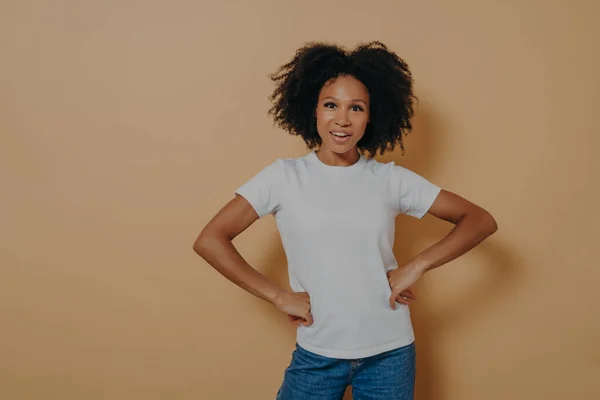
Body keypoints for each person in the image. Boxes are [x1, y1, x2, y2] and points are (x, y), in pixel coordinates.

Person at [193, 41, 498, 400]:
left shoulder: (391, 180)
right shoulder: (283, 178)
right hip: (317, 354)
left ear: (371, 116)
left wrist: (418, 265)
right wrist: (277, 296)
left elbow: (479, 220)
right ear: (314, 110)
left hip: (391, 353)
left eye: (356, 107)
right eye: (331, 105)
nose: (342, 119)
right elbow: (210, 239)